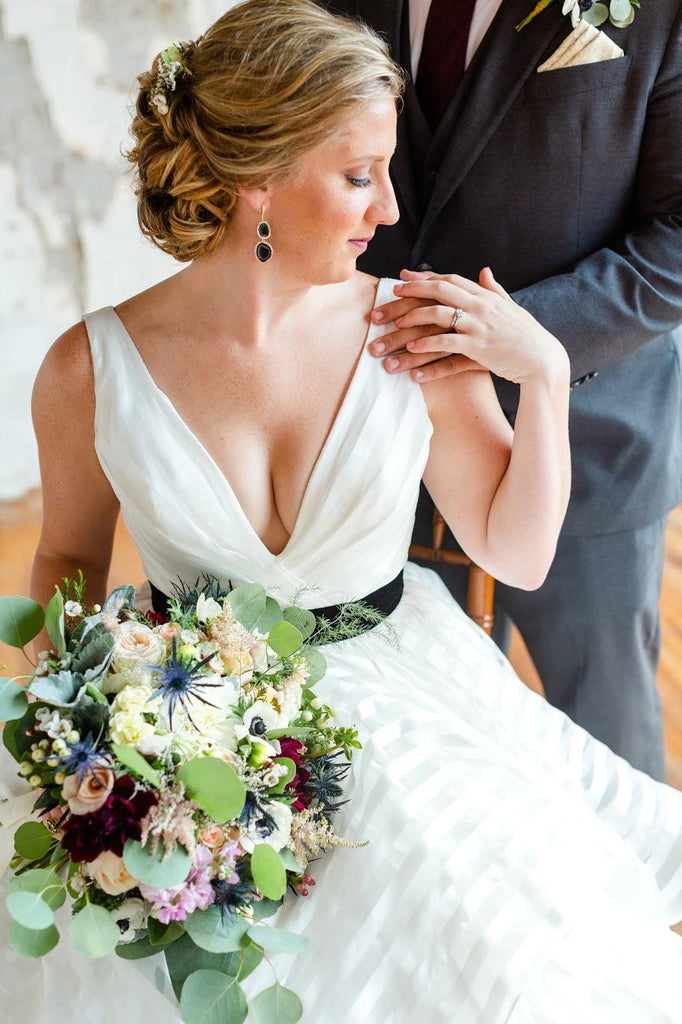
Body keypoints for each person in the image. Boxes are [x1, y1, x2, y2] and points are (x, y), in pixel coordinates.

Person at [2, 1, 682, 1021]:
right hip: (194, 738)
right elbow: (64, 554)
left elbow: (516, 552)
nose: (389, 206)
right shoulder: (87, 369)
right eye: (359, 174)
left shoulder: (407, 330)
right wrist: (82, 738)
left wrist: (540, 371)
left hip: (415, 713)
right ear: (257, 177)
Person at [323, 0, 682, 781]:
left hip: (590, 433)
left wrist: (515, 334)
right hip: (367, 419)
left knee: (604, 736)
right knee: (426, 724)